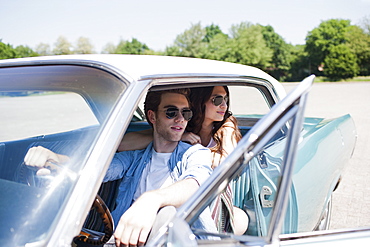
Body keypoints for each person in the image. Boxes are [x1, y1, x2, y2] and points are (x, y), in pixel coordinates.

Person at [24, 88, 217, 246]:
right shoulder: (136, 158)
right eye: (171, 112)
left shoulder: (196, 153)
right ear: (152, 116)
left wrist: (152, 200)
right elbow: (96, 170)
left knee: (167, 213)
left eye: (186, 113)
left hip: (179, 240)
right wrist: (55, 158)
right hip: (124, 239)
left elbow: (198, 184)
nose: (180, 119)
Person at [119, 86, 249, 235]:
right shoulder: (182, 126)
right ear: (201, 102)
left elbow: (226, 166)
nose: (224, 105)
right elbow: (124, 143)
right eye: (218, 99)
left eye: (226, 100)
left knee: (239, 219)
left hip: (206, 199)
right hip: (174, 202)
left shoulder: (226, 128)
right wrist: (176, 137)